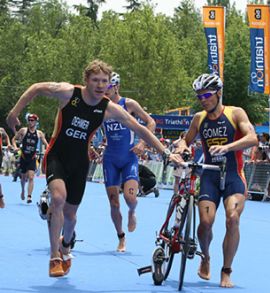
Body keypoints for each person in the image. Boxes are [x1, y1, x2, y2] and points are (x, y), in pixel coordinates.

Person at [6, 59, 181, 278]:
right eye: (95, 80)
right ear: (86, 80)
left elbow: (140, 128)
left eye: (104, 81)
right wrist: (14, 112)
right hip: (57, 156)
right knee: (58, 199)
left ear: (109, 84)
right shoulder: (69, 93)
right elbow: (37, 88)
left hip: (80, 162)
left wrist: (166, 153)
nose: (100, 85)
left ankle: (66, 244)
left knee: (70, 215)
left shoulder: (108, 108)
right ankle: (54, 257)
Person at [176, 73, 258, 288]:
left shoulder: (235, 113)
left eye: (207, 95)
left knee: (232, 218)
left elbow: (252, 138)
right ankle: (206, 256)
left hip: (232, 175)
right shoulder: (199, 118)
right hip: (210, 176)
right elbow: (185, 140)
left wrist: (227, 147)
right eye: (199, 96)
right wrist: (182, 148)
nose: (203, 100)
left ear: (219, 93)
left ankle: (226, 270)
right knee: (205, 224)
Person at [102, 72, 156, 252]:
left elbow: (151, 122)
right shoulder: (101, 106)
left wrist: (142, 142)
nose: (104, 90)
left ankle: (132, 212)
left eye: (107, 86)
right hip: (110, 158)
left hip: (128, 157)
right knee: (113, 202)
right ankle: (121, 237)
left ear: (116, 86)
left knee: (129, 197)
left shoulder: (129, 104)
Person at [12, 114, 49, 203]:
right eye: (29, 120)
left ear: (36, 122)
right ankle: (23, 190)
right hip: (23, 157)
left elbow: (46, 144)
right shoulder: (23, 130)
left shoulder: (39, 133)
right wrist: (15, 147)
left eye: (32, 120)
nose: (30, 122)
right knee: (23, 178)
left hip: (32, 158)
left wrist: (49, 151)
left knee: (31, 177)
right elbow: (13, 139)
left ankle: (29, 196)